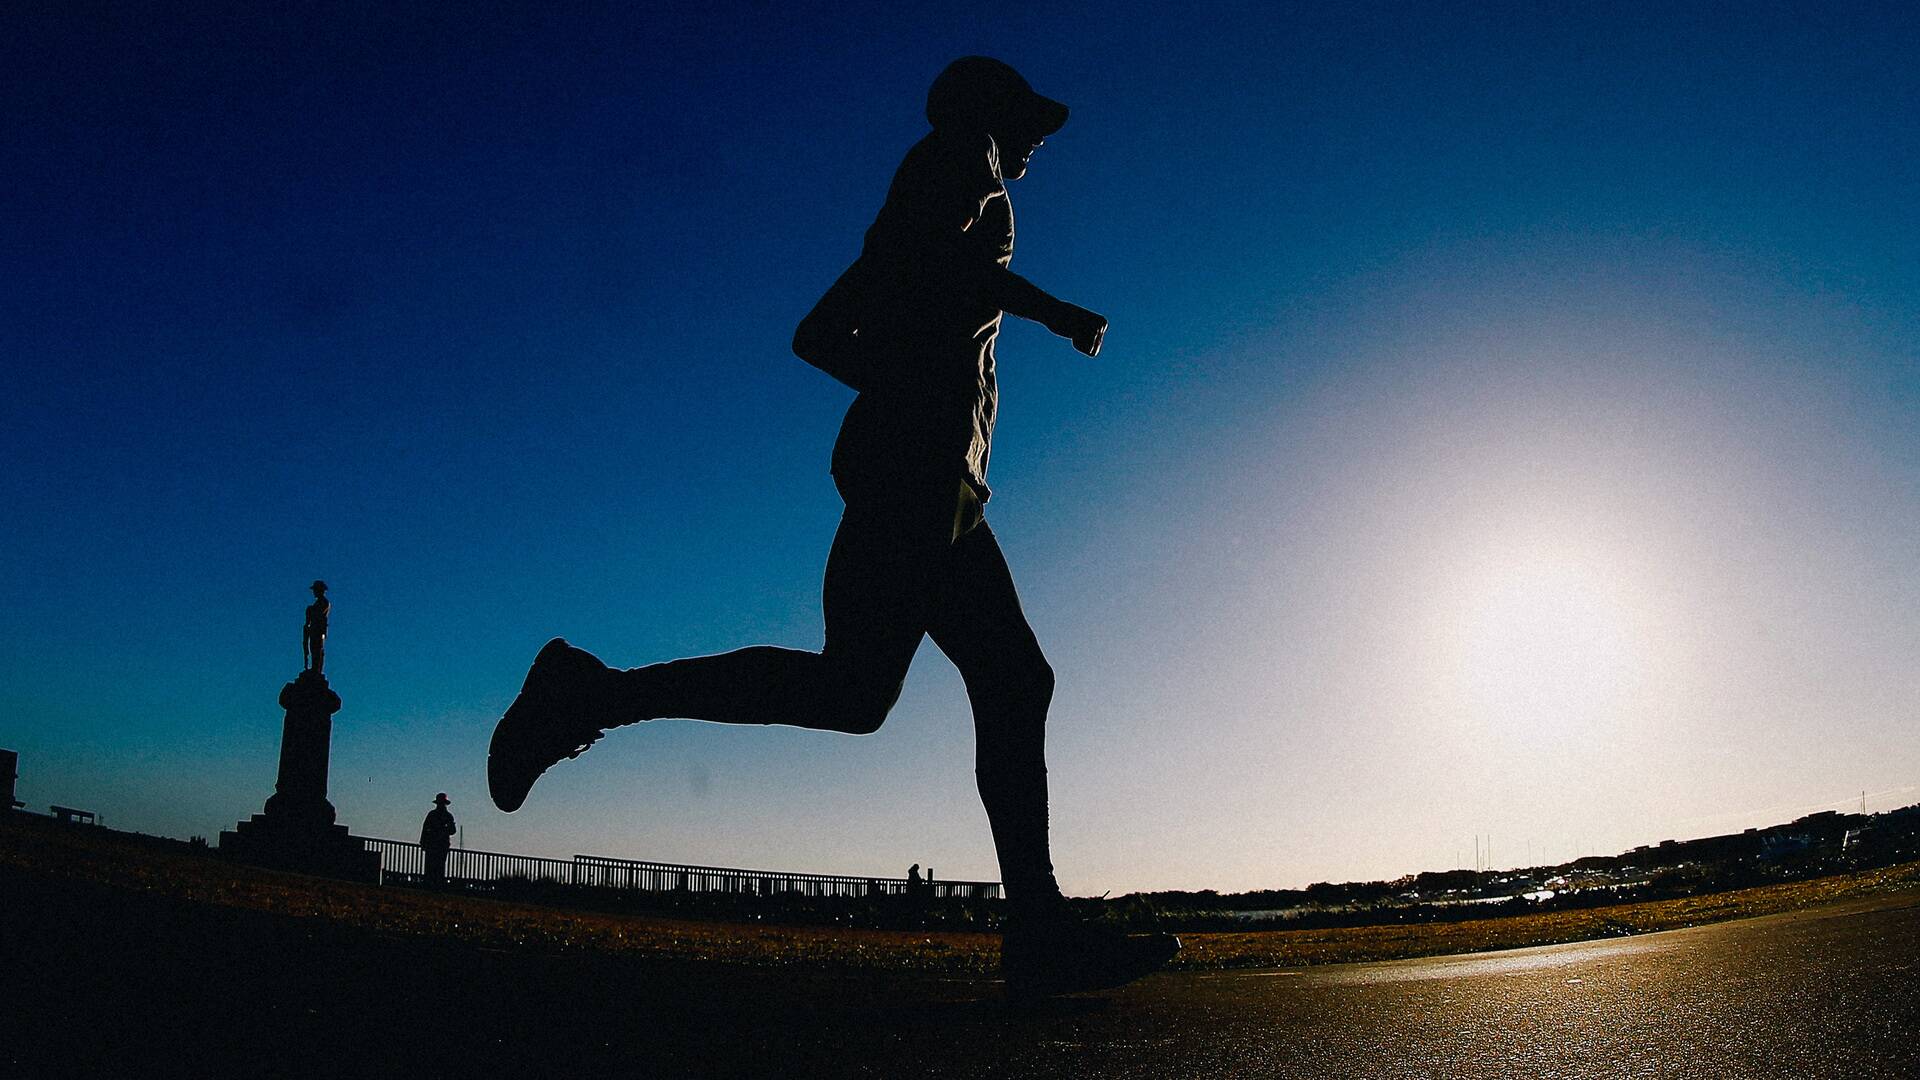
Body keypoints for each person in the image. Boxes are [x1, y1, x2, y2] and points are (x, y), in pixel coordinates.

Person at [487, 56, 1177, 996]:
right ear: (984, 115)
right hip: (917, 479)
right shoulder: (959, 167)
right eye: (1029, 123)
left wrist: (903, 382)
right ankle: (1039, 930)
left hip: (923, 479)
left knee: (862, 692)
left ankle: (590, 694)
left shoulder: (925, 194)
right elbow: (941, 272)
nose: (1037, 144)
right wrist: (1049, 312)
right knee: (1005, 679)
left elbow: (818, 334)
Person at [420, 792, 456, 885]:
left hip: (436, 845)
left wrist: (423, 841)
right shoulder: (447, 816)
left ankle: (433, 884)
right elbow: (425, 828)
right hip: (437, 845)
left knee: (435, 865)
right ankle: (434, 884)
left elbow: (452, 830)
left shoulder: (434, 815)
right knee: (436, 866)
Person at [303, 580, 330, 675]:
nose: (314, 592)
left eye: (315, 590)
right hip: (314, 629)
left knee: (318, 649)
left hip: (319, 630)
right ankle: (314, 668)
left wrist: (310, 610)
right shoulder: (317, 603)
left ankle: (317, 670)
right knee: (313, 648)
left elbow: (319, 615)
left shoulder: (324, 602)